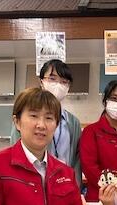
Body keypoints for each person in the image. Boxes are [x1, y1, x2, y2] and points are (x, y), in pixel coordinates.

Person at [10, 59, 83, 187]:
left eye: (64, 81)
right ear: (41, 82)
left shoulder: (73, 122)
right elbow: (16, 150)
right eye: (52, 79)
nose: (58, 85)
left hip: (63, 183)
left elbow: (76, 160)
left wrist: (75, 188)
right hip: (31, 182)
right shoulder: (26, 116)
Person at [79, 80, 117, 201]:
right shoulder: (90, 132)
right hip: (99, 198)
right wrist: (114, 186)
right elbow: (89, 168)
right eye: (114, 98)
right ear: (105, 101)